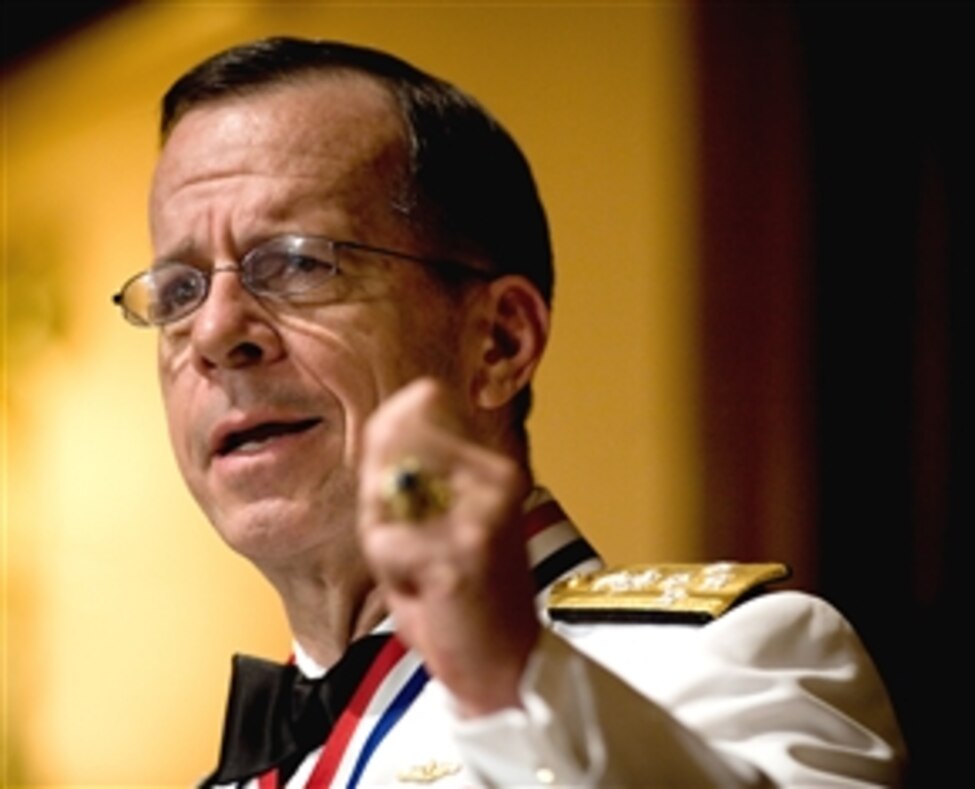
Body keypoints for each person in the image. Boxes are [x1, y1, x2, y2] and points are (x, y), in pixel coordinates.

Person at [112, 36, 907, 787]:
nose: (215, 333)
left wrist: (506, 674)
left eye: (295, 263)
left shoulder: (735, 660)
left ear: (498, 341)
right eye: (179, 290)